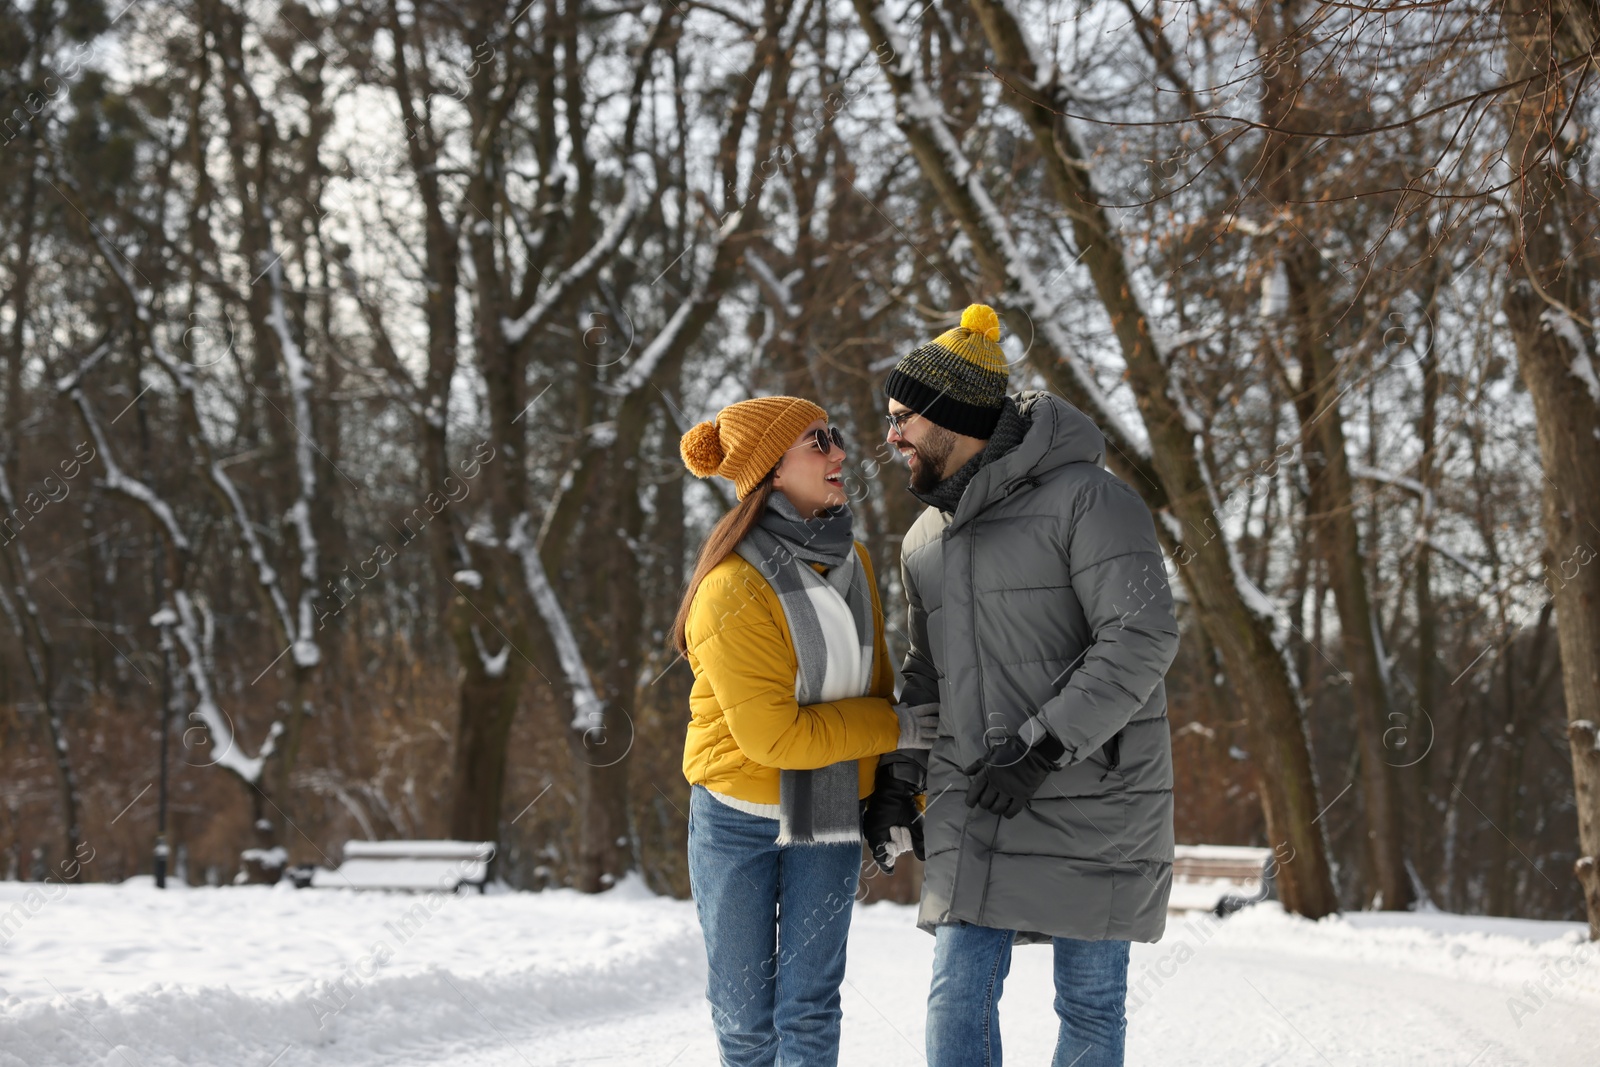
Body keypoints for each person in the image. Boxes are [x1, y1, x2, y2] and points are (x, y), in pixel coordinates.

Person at [861, 305, 1181, 1067]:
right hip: (977, 798)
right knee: (957, 992)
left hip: (1094, 797)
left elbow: (1141, 635)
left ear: (954, 416)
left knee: (1090, 1003)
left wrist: (1041, 749)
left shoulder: (1089, 499)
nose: (891, 436)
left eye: (904, 417)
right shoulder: (924, 541)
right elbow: (925, 673)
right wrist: (898, 782)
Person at [674, 395, 939, 1067]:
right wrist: (899, 726)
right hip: (739, 810)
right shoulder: (730, 587)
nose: (840, 452)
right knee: (744, 1014)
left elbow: (873, 681)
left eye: (835, 436)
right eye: (818, 441)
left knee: (810, 1006)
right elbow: (774, 738)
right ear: (770, 469)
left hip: (825, 802)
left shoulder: (854, 561)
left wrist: (893, 793)